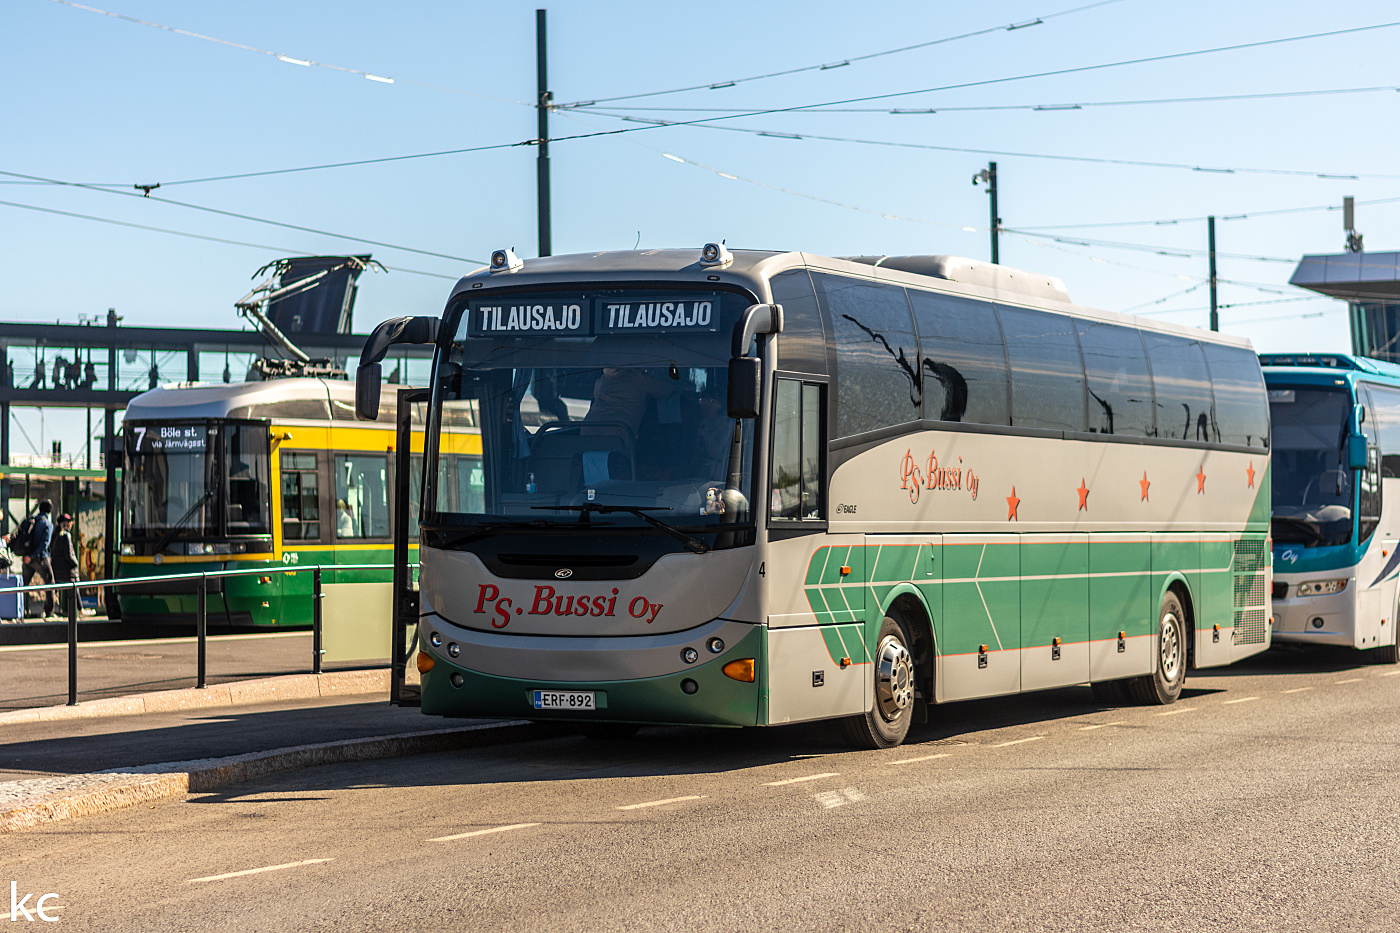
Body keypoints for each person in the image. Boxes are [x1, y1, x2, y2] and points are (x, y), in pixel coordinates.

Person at [22, 499, 55, 619]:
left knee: (22, 585)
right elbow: (44, 544)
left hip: (26, 558)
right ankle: (49, 612)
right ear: (50, 511)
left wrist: (28, 557)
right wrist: (33, 557)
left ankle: (19, 611)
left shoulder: (32, 521)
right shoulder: (47, 524)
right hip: (40, 558)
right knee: (50, 583)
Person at [51, 513, 80, 617]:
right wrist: (75, 563)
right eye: (70, 521)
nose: (71, 523)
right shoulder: (66, 535)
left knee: (58, 588)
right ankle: (79, 610)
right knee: (74, 585)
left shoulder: (55, 533)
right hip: (66, 567)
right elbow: (68, 553)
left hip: (57, 566)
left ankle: (55, 610)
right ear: (65, 523)